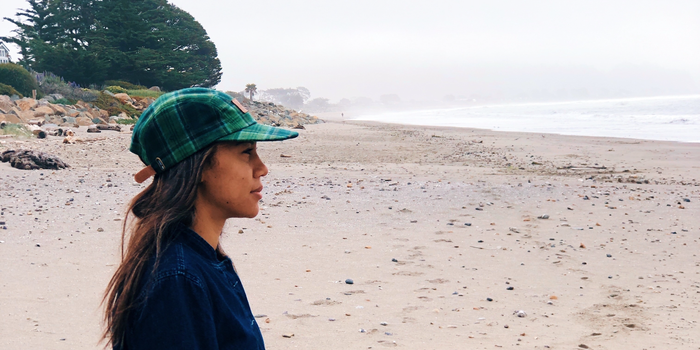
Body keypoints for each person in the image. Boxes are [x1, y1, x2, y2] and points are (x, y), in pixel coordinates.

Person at [102, 88, 298, 349]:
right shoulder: (177, 280)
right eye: (246, 152)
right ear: (200, 165)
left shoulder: (204, 258)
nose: (262, 168)